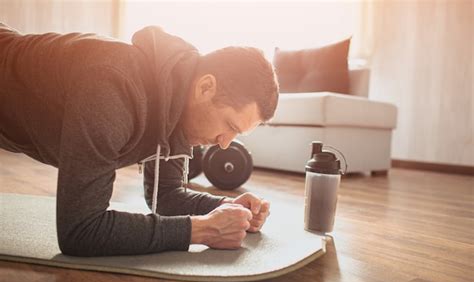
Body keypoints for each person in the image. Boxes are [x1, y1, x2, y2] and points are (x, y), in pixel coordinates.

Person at [0, 23, 279, 257]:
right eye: (229, 125)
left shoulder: (179, 104)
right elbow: (80, 230)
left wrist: (222, 208)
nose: (224, 143)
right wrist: (202, 230)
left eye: (236, 134)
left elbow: (166, 196)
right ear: (205, 87)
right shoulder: (112, 89)